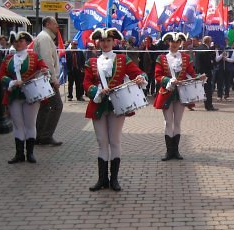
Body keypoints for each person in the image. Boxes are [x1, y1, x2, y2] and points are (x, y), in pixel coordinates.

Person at [83, 28, 147, 192]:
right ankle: (102, 179)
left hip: (117, 105)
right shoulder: (91, 62)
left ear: (114, 42)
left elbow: (139, 73)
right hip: (98, 104)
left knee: (115, 141)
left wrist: (140, 78)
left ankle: (114, 180)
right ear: (98, 42)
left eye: (108, 41)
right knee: (101, 142)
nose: (105, 43)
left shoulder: (122, 59)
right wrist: (95, 91)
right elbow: (86, 83)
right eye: (102, 41)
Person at [154, 32, 206, 160]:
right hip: (166, 93)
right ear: (168, 42)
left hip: (181, 93)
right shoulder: (161, 58)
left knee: (177, 122)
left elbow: (191, 73)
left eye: (177, 42)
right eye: (172, 41)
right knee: (168, 122)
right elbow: (157, 76)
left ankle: (175, 151)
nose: (175, 44)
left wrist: (199, 78)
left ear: (180, 43)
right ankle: (168, 151)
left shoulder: (186, 58)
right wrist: (168, 81)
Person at [0, 32, 48, 164]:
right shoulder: (8, 58)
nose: (18, 43)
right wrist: (11, 82)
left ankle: (30, 153)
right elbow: (1, 75)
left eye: (21, 41)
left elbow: (44, 67)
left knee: (30, 124)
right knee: (17, 124)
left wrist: (44, 71)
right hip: (14, 94)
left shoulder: (34, 56)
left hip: (31, 94)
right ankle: (19, 154)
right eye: (15, 41)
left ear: (26, 42)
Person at [34, 17, 63, 146]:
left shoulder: (44, 37)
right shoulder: (45, 38)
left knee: (45, 107)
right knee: (57, 105)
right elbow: (47, 60)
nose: (57, 26)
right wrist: (53, 79)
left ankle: (38, 135)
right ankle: (45, 135)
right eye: (55, 24)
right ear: (47, 24)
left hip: (43, 78)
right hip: (46, 79)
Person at [195, 36, 218, 111]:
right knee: (208, 89)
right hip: (206, 72)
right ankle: (209, 105)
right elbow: (208, 62)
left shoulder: (199, 48)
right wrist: (212, 64)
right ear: (208, 41)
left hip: (200, 71)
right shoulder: (205, 49)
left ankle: (207, 104)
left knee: (203, 89)